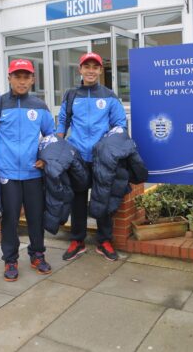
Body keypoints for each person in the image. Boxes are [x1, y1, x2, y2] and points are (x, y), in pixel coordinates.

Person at [0, 59, 55, 281]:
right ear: (9, 78)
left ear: (33, 79)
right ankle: (10, 259)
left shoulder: (39, 106)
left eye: (26, 77)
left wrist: (45, 157)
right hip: (6, 173)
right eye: (17, 76)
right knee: (10, 219)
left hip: (33, 173)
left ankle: (37, 254)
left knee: (36, 218)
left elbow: (51, 136)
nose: (22, 81)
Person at [56, 52, 127, 262]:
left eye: (95, 67)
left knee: (102, 199)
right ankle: (77, 240)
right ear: (80, 69)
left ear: (100, 70)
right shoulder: (71, 95)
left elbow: (120, 124)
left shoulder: (109, 95)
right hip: (77, 156)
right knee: (77, 200)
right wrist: (58, 147)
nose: (90, 71)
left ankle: (104, 241)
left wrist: (108, 145)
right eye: (86, 66)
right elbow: (62, 123)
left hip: (101, 158)